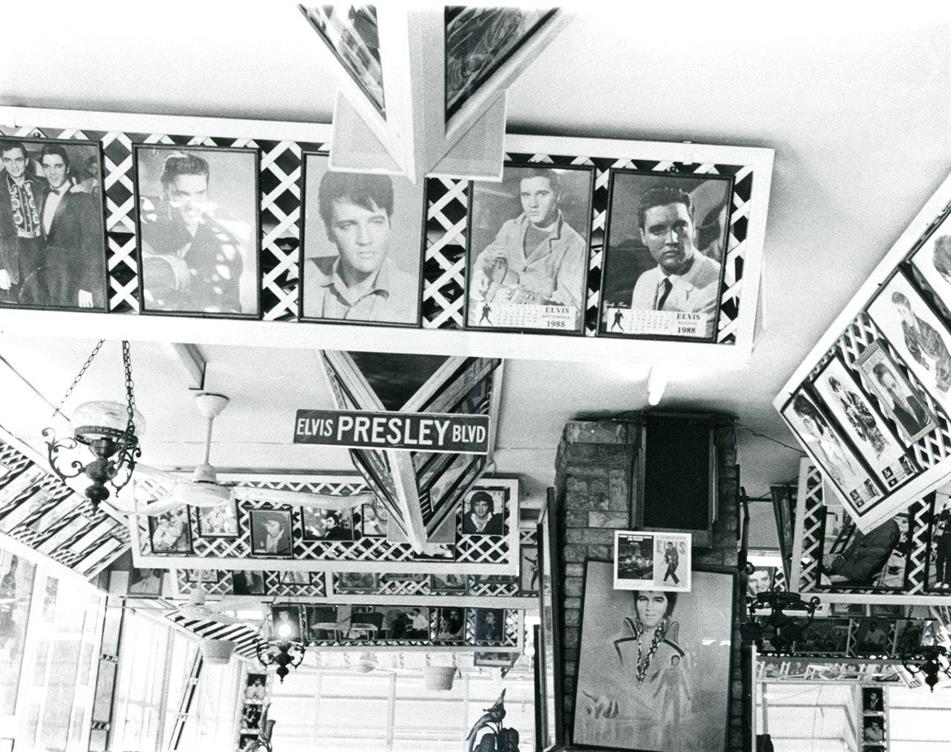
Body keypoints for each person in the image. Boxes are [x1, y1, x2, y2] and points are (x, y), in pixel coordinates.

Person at [468, 168, 586, 321]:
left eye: (542, 194)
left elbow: (569, 311)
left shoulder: (574, 245)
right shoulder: (511, 227)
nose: (532, 204)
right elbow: (487, 256)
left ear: (557, 195)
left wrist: (521, 302)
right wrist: (479, 273)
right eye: (526, 195)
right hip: (488, 319)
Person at [303, 171, 417, 323]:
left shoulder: (414, 294)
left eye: (376, 222)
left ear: (389, 224)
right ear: (329, 231)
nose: (364, 239)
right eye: (348, 225)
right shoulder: (301, 278)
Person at [139, 151, 245, 312]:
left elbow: (230, 310)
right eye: (182, 195)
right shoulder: (149, 221)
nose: (192, 205)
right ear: (165, 192)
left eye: (200, 194)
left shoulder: (223, 250)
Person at [581, 590, 685, 750]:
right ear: (636, 602)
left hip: (661, 738)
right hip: (622, 736)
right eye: (643, 599)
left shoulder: (679, 649)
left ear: (668, 605)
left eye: (658, 600)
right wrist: (601, 699)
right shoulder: (613, 643)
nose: (649, 607)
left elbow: (685, 696)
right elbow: (596, 685)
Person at [629, 185, 722, 337]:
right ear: (643, 236)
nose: (672, 240)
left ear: (692, 227)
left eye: (680, 227)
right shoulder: (644, 281)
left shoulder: (717, 285)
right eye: (658, 230)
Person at [39, 144, 102, 308]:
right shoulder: (42, 195)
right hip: (46, 282)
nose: (52, 172)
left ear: (67, 168)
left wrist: (86, 287)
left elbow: (93, 246)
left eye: (58, 166)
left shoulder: (82, 199)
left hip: (72, 282)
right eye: (47, 166)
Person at [0, 141, 48, 305]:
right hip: (14, 254)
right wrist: (0, 267)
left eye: (18, 160)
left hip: (41, 249)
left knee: (44, 300)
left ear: (26, 161)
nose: (13, 166)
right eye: (8, 160)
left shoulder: (42, 184)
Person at [891, 290, 951, 392]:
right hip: (935, 368)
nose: (902, 316)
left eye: (904, 311)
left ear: (910, 310)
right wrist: (927, 366)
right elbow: (913, 350)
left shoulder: (929, 330)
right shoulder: (906, 327)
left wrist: (939, 374)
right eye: (899, 312)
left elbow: (943, 355)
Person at [824, 518, 901, 585]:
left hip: (853, 583)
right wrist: (835, 559)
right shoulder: (871, 522)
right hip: (845, 571)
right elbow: (852, 550)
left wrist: (834, 562)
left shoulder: (887, 529)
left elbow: (861, 573)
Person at [827, 376, 886, 456]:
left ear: (840, 385)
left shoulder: (853, 396)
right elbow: (850, 420)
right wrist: (858, 431)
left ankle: (883, 443)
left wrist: (857, 410)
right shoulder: (844, 405)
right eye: (836, 389)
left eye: (839, 386)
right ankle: (878, 448)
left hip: (867, 420)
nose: (839, 390)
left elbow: (865, 408)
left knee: (878, 436)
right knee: (871, 440)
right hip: (861, 425)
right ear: (835, 391)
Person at [871, 362, 931, 438]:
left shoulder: (915, 399)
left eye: (894, 385)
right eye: (890, 390)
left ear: (898, 382)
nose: (896, 394)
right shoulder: (896, 417)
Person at [933, 508, 951, 591]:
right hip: (941, 539)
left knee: (949, 561)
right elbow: (937, 526)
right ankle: (939, 580)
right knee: (939, 560)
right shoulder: (944, 513)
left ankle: (947, 581)